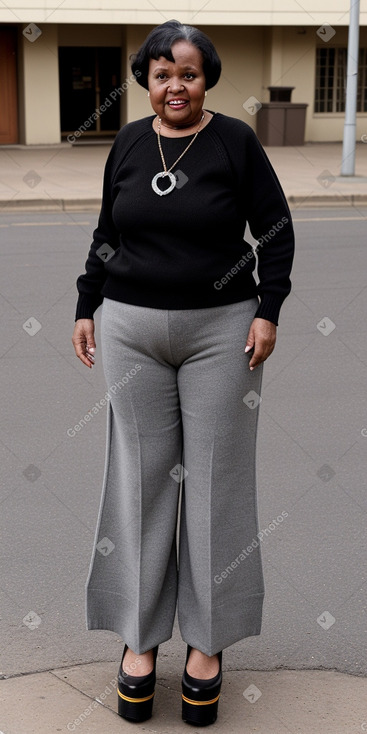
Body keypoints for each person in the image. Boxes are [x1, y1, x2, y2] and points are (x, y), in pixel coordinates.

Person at [71, 18, 295, 727]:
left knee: (215, 485)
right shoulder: (130, 142)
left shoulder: (233, 141)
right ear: (146, 79)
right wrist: (85, 303)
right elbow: (109, 231)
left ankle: (206, 643)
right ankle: (140, 640)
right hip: (130, 327)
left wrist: (268, 310)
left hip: (221, 332)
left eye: (189, 73)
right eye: (163, 73)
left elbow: (276, 229)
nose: (176, 85)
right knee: (139, 486)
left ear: (207, 79)